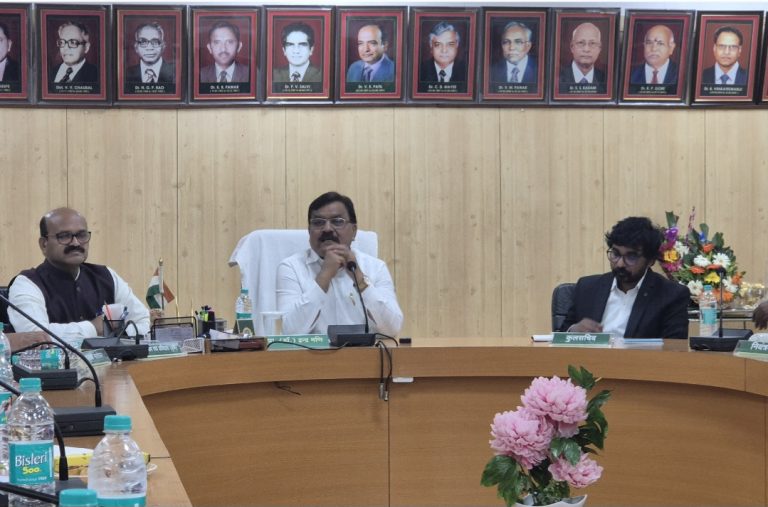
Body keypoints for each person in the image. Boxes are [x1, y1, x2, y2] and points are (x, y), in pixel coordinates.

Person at [8, 208, 150, 339]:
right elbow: (34, 336)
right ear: (44, 244)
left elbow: (143, 321)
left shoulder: (106, 276)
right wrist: (93, 328)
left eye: (81, 235)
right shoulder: (27, 284)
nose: (75, 243)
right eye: (64, 236)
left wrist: (113, 332)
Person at [277, 192, 403, 336]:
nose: (327, 229)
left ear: (354, 231)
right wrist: (324, 276)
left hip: (365, 350)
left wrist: (359, 278)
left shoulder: (375, 267)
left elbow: (393, 329)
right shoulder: (291, 267)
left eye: (337, 221)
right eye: (318, 222)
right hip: (311, 351)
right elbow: (289, 332)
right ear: (309, 231)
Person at [559, 216, 690, 339]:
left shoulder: (671, 295)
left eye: (631, 257)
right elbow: (560, 336)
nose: (620, 264)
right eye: (615, 254)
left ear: (650, 261)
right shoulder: (587, 287)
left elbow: (673, 348)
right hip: (589, 356)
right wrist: (573, 330)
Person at [418, 21, 466, 91]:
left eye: (450, 44)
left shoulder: (467, 71)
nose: (444, 50)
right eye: (438, 44)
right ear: (431, 46)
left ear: (457, 45)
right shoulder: (419, 71)